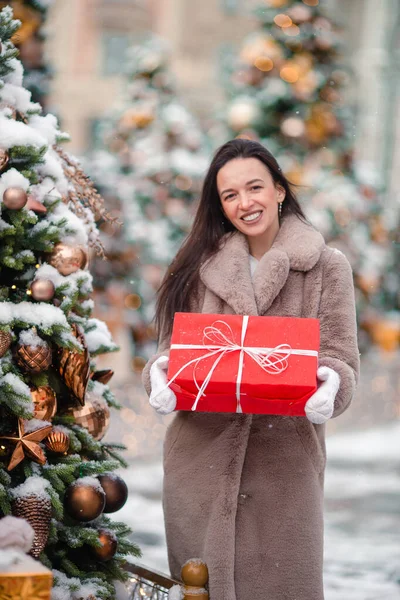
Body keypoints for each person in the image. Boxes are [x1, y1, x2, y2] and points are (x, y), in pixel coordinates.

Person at [142, 139, 360, 600]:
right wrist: (160, 376)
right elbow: (169, 351)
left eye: (255, 187)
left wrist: (331, 383)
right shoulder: (196, 266)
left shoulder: (325, 267)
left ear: (279, 190)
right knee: (201, 590)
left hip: (285, 466)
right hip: (199, 462)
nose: (245, 203)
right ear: (219, 205)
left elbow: (340, 354)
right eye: (230, 195)